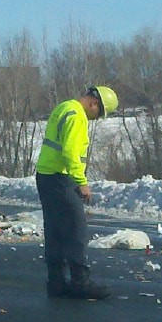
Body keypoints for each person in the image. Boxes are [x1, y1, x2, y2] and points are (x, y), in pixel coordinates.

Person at [35, 86, 118, 300]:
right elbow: (70, 151)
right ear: (94, 104)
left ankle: (56, 282)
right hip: (60, 177)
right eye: (98, 114)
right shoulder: (77, 116)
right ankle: (80, 282)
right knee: (76, 229)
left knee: (54, 230)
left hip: (46, 175)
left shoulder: (64, 107)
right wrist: (81, 182)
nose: (96, 119)